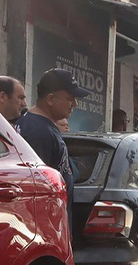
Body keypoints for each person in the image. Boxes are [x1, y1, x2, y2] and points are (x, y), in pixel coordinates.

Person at [16, 69, 87, 226]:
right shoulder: (38, 132)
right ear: (50, 99)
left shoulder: (36, 124)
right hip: (45, 227)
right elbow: (37, 190)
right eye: (70, 99)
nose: (75, 104)